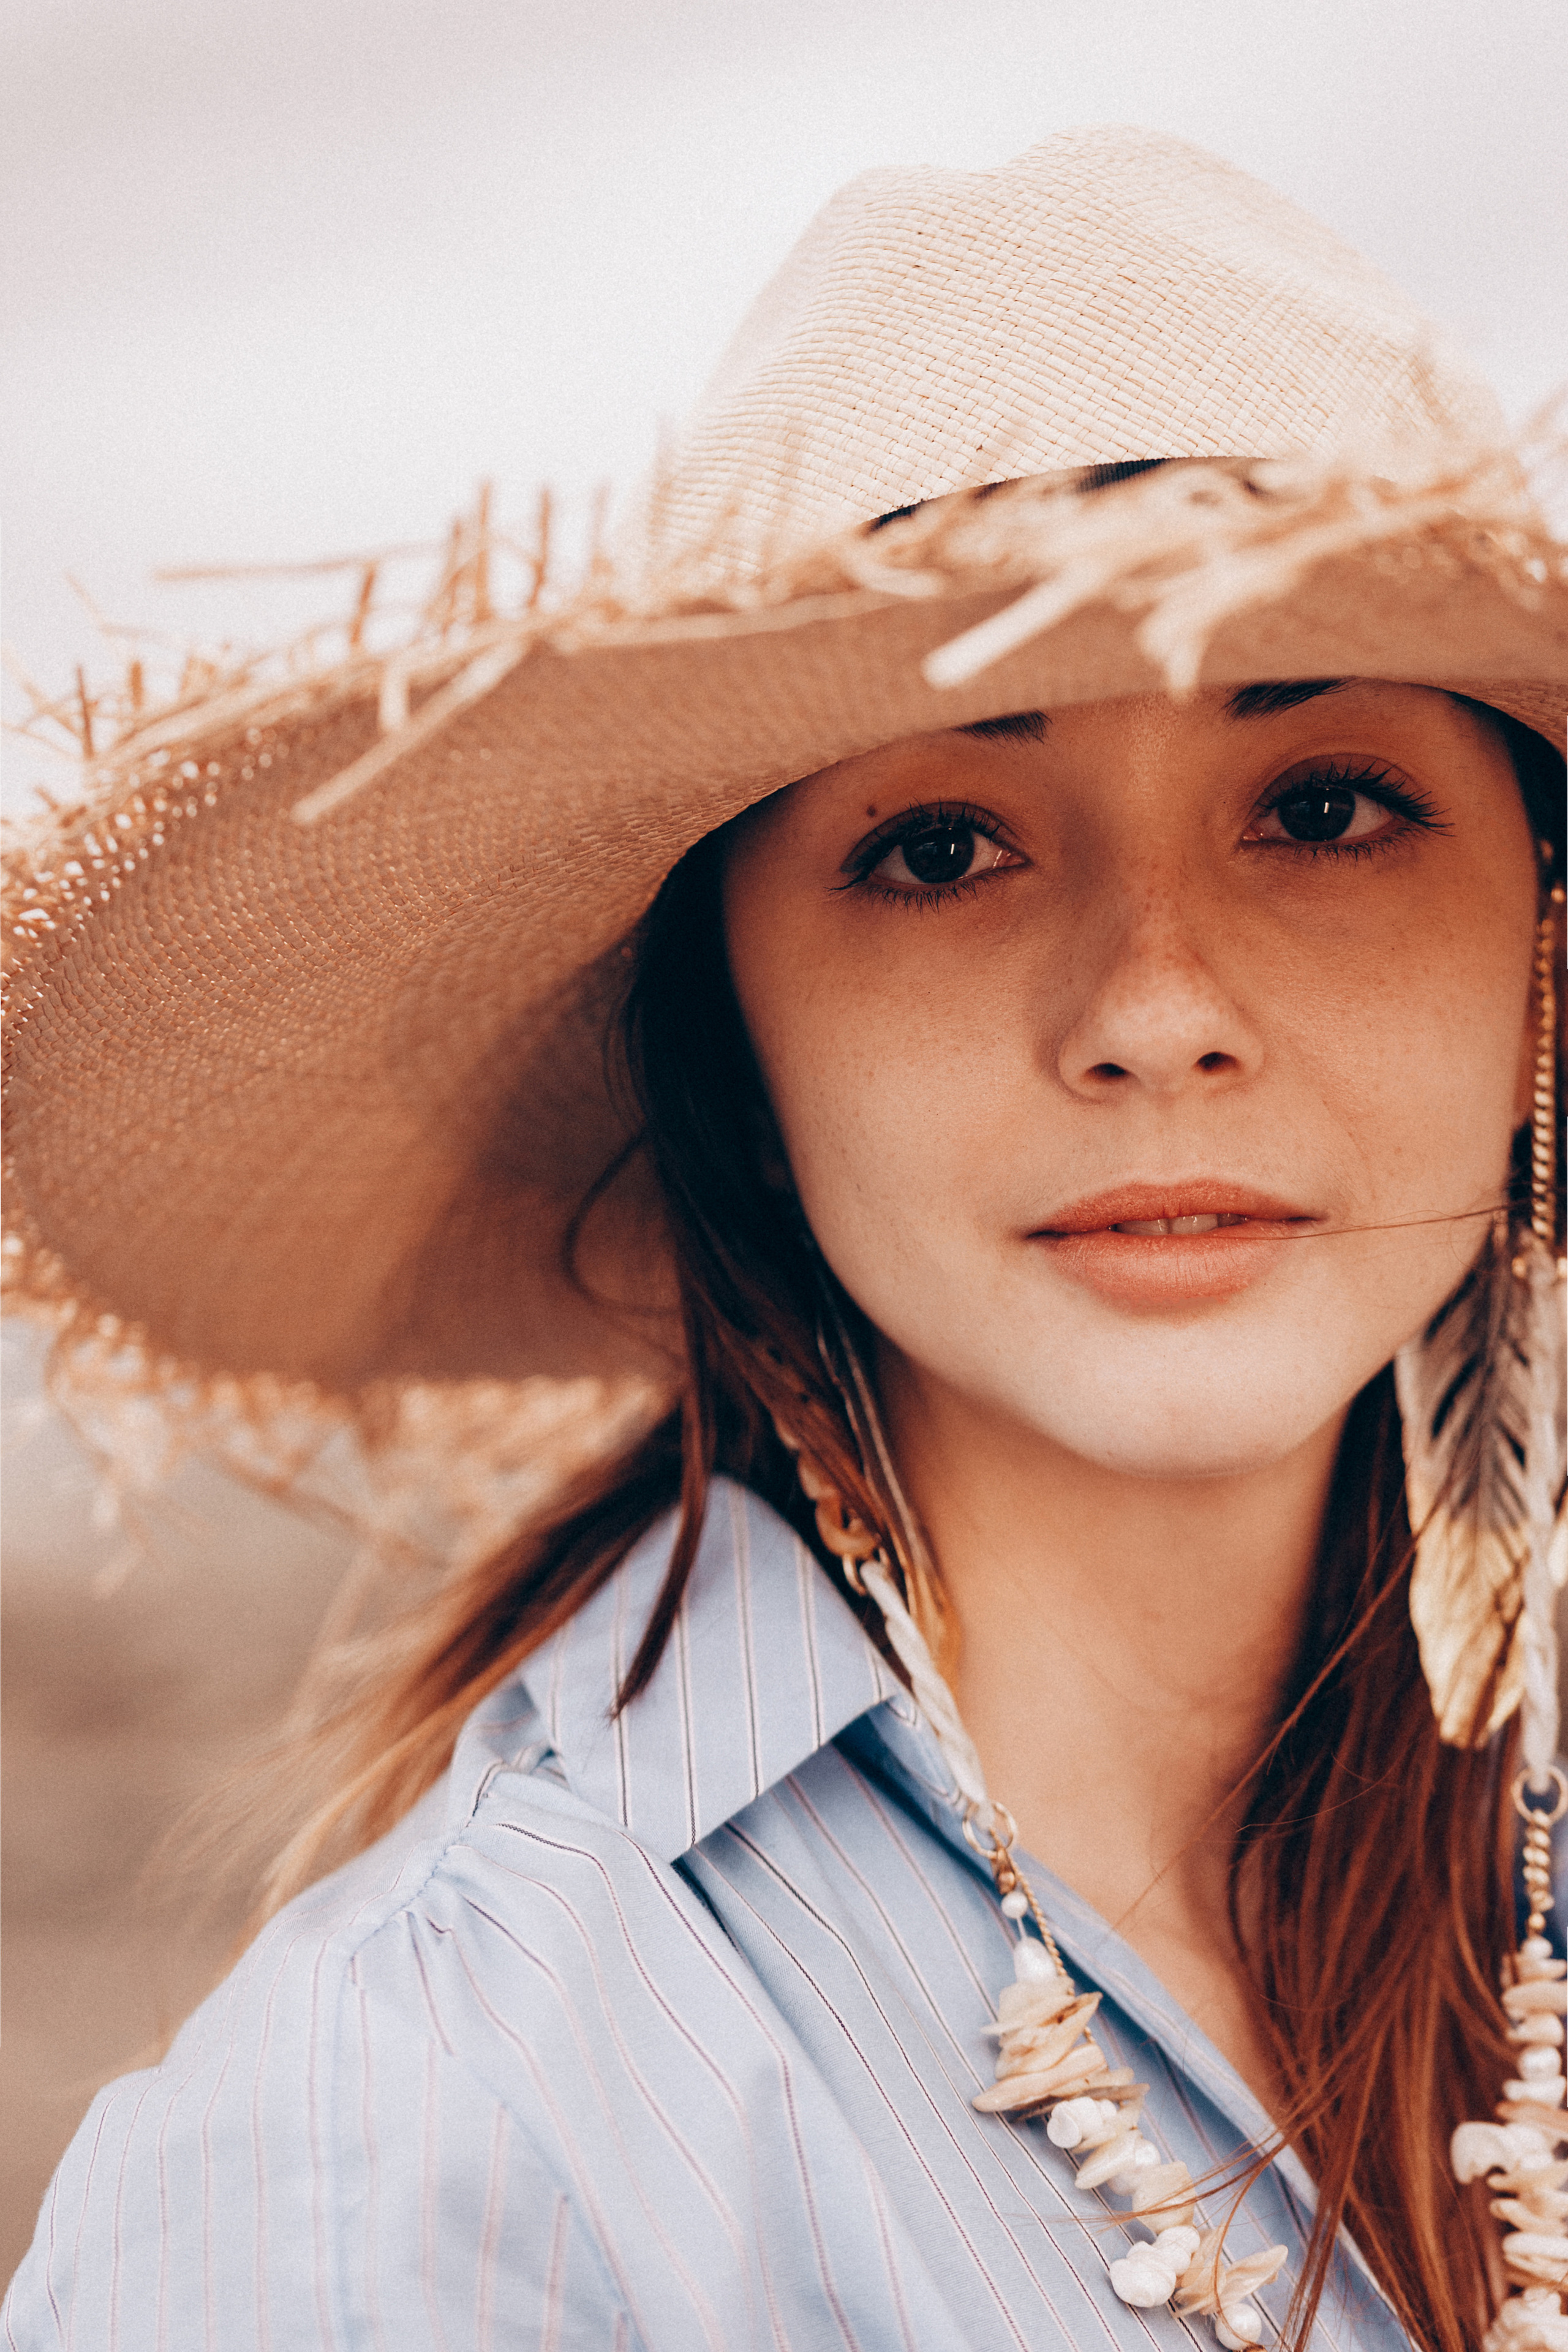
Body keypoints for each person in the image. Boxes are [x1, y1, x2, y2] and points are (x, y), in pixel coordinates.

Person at [2, 124, 1565, 2352]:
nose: (1153, 1015)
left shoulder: (1518, 1878)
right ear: (729, 1029)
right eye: (941, 843)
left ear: (1541, 943)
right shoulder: (423, 2151)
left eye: (1321, 809)